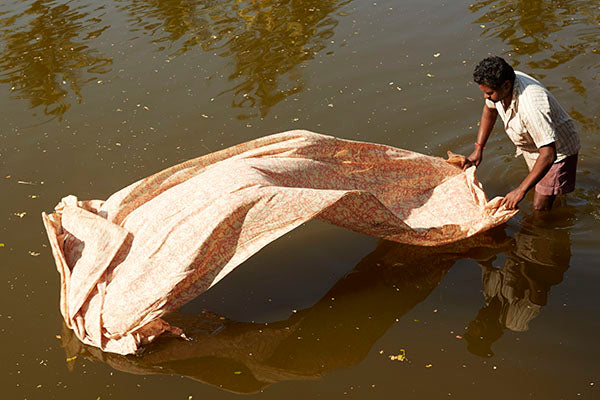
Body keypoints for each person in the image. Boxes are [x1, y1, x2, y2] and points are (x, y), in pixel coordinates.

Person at [464, 56, 580, 211]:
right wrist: (479, 149)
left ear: (506, 85)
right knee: (537, 186)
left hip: (558, 151)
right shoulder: (500, 88)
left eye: (489, 93)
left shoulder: (531, 105)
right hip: (535, 145)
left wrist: (520, 190)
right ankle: (553, 195)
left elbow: (548, 154)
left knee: (539, 207)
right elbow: (489, 111)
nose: (486, 96)